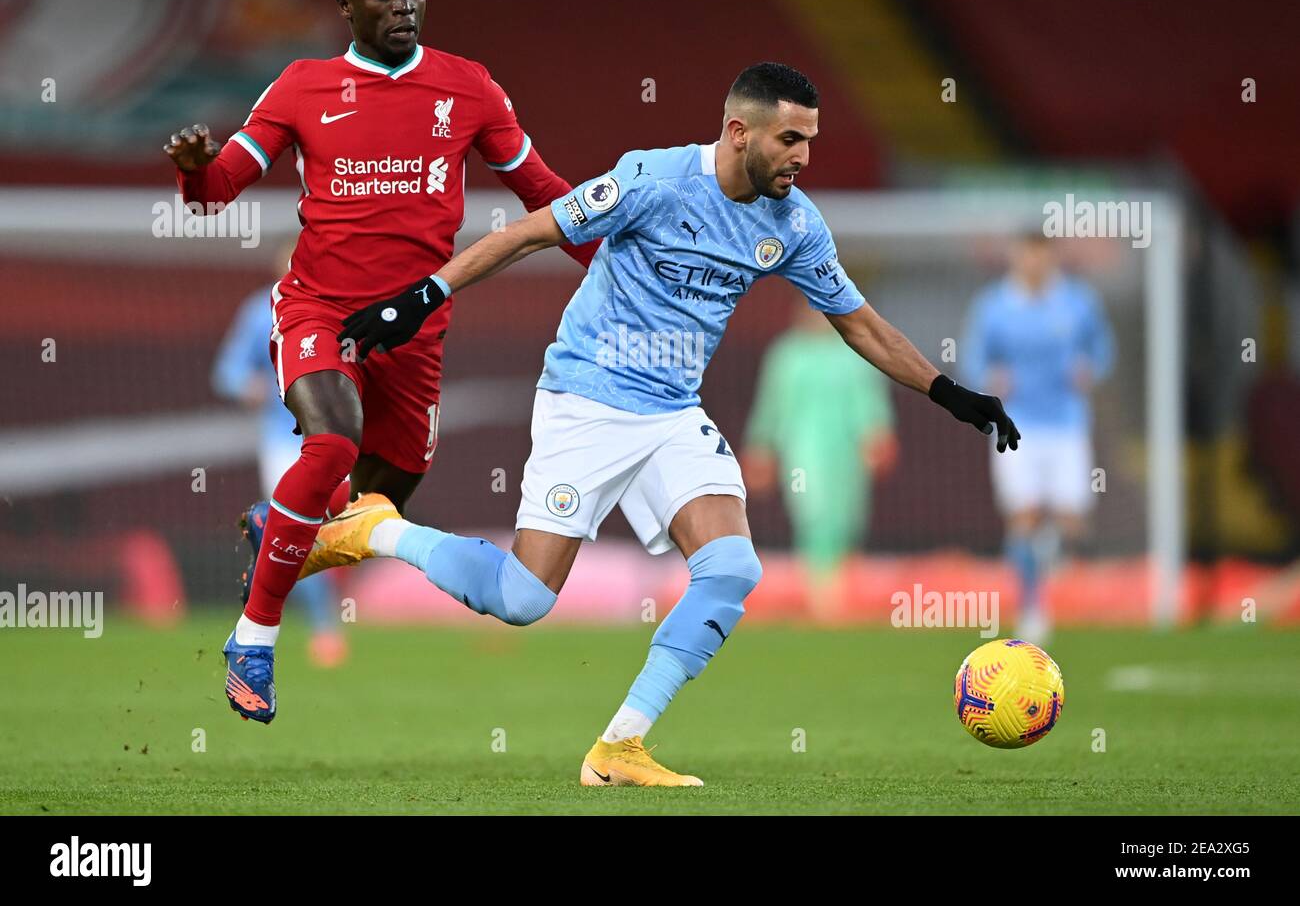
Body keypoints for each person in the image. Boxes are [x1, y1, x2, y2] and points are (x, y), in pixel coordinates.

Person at [305, 62, 1018, 785]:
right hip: (587, 399)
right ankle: (375, 529)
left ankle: (619, 749)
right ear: (740, 133)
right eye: (790, 138)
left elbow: (860, 325)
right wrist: (424, 295)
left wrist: (949, 392)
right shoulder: (652, 180)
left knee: (732, 569)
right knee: (521, 600)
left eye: (811, 139)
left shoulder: (795, 223)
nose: (803, 155)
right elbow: (531, 233)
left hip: (672, 414)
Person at [164, 0, 598, 723]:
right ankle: (254, 641)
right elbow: (215, 190)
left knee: (375, 509)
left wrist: (617, 267)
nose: (403, 6)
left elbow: (545, 193)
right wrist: (196, 166)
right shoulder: (302, 86)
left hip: (414, 333)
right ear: (345, 7)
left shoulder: (469, 90)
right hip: (318, 311)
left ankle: (280, 530)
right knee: (329, 444)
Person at [961, 232, 1114, 643]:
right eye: (1027, 255)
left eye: (1041, 255)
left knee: (1072, 520)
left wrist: (1090, 368)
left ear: (1051, 258)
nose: (1034, 263)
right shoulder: (994, 306)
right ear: (1016, 257)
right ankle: (1031, 608)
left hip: (1067, 424)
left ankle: (1046, 559)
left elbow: (1102, 349)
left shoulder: (1077, 301)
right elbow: (974, 357)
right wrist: (988, 379)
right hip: (1015, 426)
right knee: (1024, 515)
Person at [211, 245, 347, 667]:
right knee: (296, 532)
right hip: (283, 440)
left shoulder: (342, 308)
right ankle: (323, 627)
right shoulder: (259, 311)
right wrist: (246, 386)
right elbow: (227, 371)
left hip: (337, 437)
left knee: (338, 527)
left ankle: (314, 612)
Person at [742, 300, 897, 618]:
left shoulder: (854, 352)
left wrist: (877, 435)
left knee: (846, 518)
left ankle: (838, 591)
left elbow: (869, 402)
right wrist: (761, 446)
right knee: (814, 514)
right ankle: (823, 598)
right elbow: (771, 405)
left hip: (847, 453)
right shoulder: (787, 354)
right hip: (801, 450)